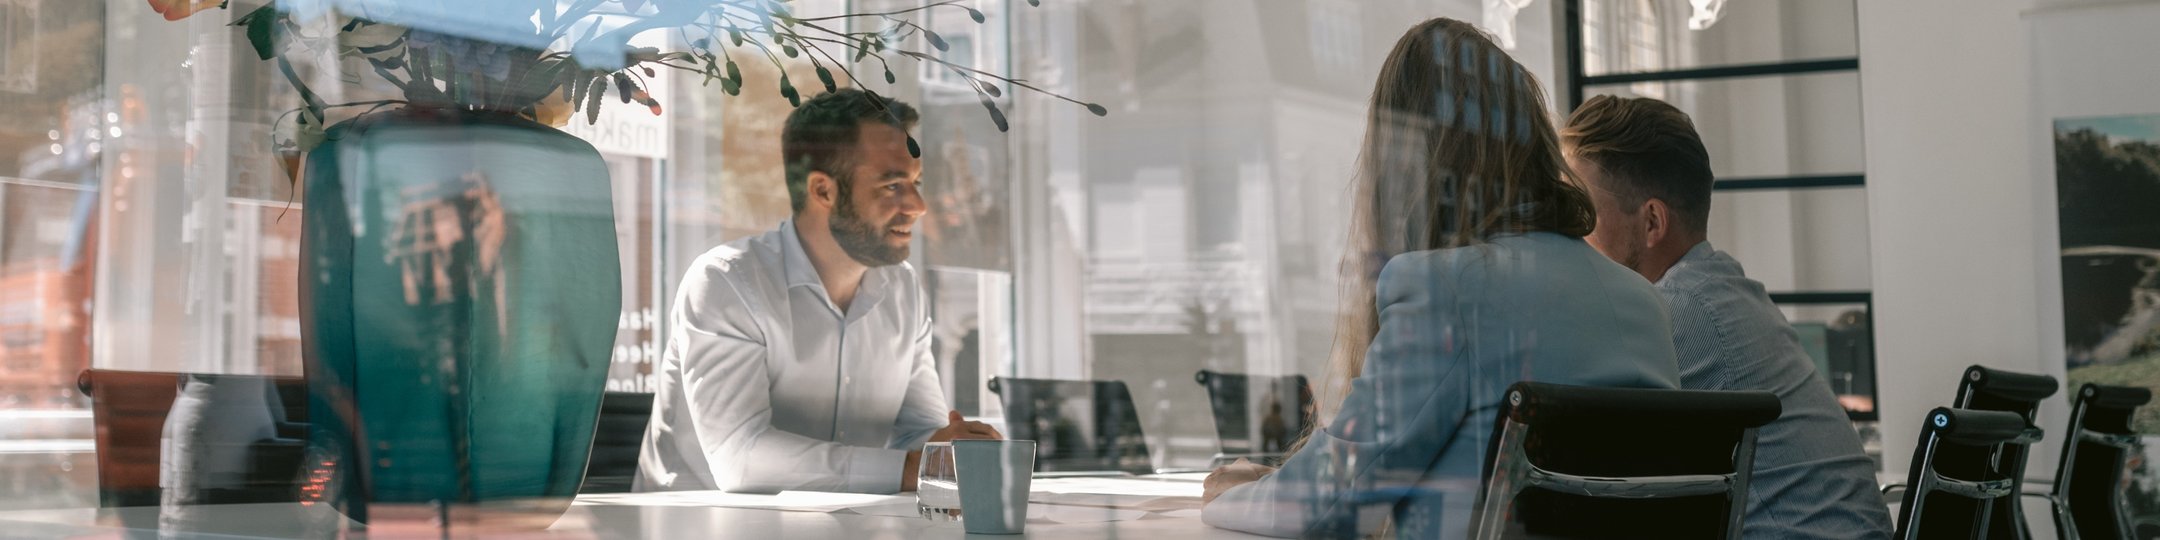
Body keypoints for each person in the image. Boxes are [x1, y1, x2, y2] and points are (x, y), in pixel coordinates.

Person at [1199, 18, 1682, 539]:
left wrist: (1234, 495)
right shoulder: (1643, 303)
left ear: (1409, 159)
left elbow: (1323, 505)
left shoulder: (1443, 290)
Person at [1560, 94, 1893, 538]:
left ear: (1653, 223)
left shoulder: (1676, 312)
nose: (1576, 231)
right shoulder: (1723, 290)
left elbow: (1574, 452)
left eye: (1585, 211)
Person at [637, 89, 1000, 495]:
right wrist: (916, 466)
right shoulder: (726, 282)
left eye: (916, 182)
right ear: (823, 191)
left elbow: (918, 439)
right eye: (893, 185)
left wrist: (956, 446)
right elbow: (740, 460)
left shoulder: (902, 289)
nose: (918, 206)